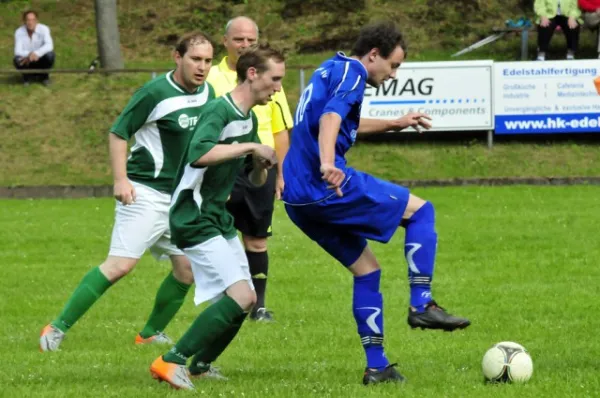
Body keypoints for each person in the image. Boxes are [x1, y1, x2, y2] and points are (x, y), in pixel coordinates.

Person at [282, 21, 470, 385]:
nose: (393, 73)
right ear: (373, 55)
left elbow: (342, 121)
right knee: (421, 211)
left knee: (368, 271)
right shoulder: (353, 73)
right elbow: (330, 118)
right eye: (393, 65)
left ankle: (377, 366)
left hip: (297, 200)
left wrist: (393, 124)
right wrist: (327, 163)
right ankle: (422, 304)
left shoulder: (330, 68)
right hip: (326, 186)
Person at [39, 31, 216, 352]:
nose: (202, 67)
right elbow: (119, 133)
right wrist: (120, 180)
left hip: (180, 198)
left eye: (207, 60)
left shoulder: (208, 93)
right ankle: (55, 329)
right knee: (120, 265)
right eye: (195, 59)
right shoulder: (154, 93)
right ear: (177, 58)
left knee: (187, 270)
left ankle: (150, 333)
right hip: (145, 192)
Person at [149, 44, 282, 390]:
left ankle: (201, 365)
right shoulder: (218, 111)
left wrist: (259, 167)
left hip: (216, 215)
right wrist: (250, 148)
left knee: (246, 297)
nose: (279, 88)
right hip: (192, 213)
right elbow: (199, 154)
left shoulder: (247, 118)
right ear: (252, 74)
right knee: (240, 296)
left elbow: (253, 178)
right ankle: (170, 360)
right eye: (275, 79)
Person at [206, 16, 294, 322]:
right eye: (239, 40)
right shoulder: (211, 77)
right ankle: (223, 301)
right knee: (217, 235)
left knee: (257, 239)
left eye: (250, 41)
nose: (244, 45)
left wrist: (282, 173)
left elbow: (282, 129)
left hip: (261, 167)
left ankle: (258, 306)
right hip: (222, 166)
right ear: (225, 41)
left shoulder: (271, 78)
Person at [13, 10, 55, 86]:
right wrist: (29, 54)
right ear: (24, 21)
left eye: (33, 20)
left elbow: (49, 45)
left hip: (40, 59)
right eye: (28, 20)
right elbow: (17, 51)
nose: (30, 22)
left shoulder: (44, 29)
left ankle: (44, 77)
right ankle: (26, 77)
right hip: (27, 61)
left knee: (50, 55)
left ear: (37, 21)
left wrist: (37, 53)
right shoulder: (19, 32)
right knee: (17, 59)